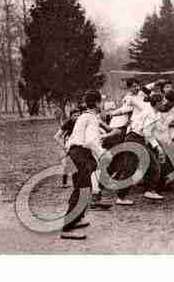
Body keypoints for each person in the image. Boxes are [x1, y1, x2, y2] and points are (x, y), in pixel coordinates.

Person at [61, 90, 112, 240]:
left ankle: (75, 220)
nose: (102, 104)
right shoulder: (91, 118)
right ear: (97, 103)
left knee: (84, 188)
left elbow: (82, 139)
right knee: (82, 189)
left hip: (75, 153)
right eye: (101, 101)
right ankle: (67, 228)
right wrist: (103, 153)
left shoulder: (84, 116)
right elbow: (90, 141)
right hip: (80, 155)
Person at [54, 107, 82, 188]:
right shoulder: (68, 123)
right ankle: (65, 183)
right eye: (75, 115)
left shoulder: (81, 122)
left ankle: (78, 183)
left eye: (79, 115)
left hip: (79, 144)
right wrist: (65, 147)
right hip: (69, 144)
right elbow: (56, 137)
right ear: (71, 116)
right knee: (69, 164)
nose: (77, 117)